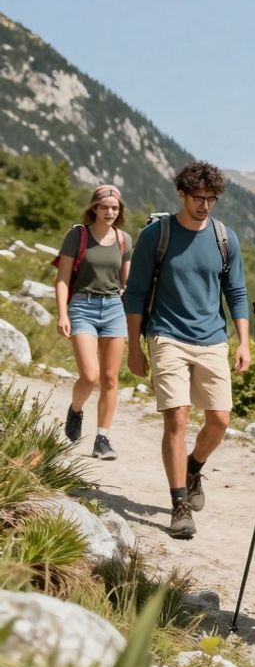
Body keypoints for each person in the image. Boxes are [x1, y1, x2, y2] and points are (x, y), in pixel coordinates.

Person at [124, 163, 251, 539]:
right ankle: (179, 503)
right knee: (177, 418)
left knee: (220, 421)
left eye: (212, 199)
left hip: (213, 339)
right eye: (199, 198)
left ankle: (194, 467)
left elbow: (237, 293)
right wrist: (135, 347)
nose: (206, 206)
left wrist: (244, 341)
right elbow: (133, 294)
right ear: (181, 194)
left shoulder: (225, 238)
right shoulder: (155, 235)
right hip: (167, 336)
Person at [55, 184, 132, 460]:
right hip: (82, 307)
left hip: (113, 308)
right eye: (105, 207)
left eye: (115, 207)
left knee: (110, 378)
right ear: (95, 208)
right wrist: (62, 313)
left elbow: (126, 283)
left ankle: (102, 438)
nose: (110, 211)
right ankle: (76, 410)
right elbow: (63, 278)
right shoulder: (78, 236)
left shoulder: (124, 240)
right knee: (90, 375)